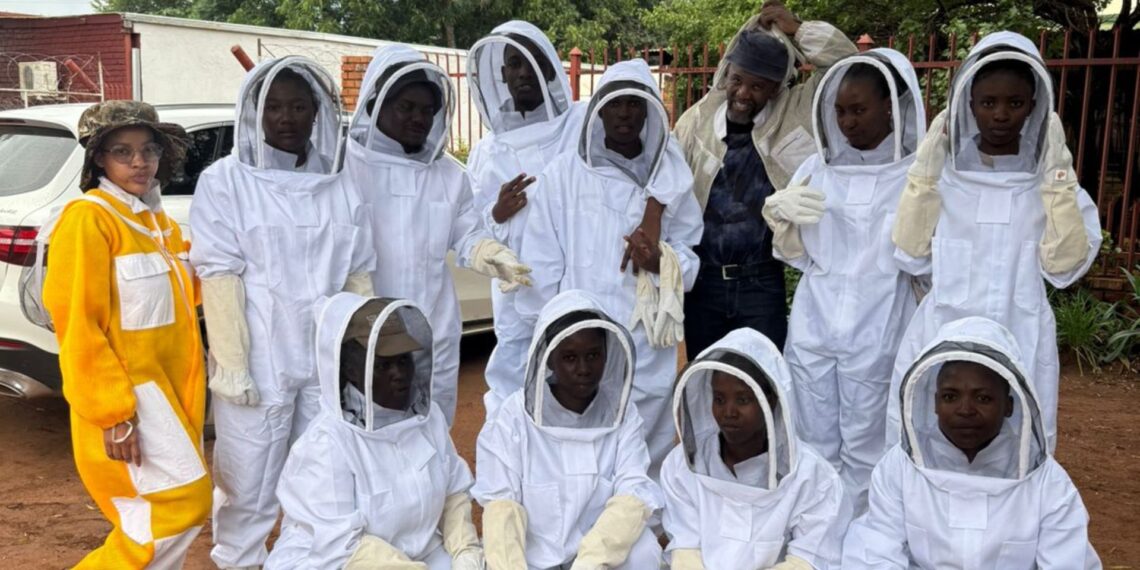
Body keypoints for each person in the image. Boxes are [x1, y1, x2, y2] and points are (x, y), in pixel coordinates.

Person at [190, 57, 377, 569]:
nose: (286, 117)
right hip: (259, 358)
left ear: (318, 111)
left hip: (324, 358)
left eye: (298, 105)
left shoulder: (341, 183)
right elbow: (219, 275)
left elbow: (358, 276)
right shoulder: (225, 181)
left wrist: (356, 359)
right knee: (247, 481)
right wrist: (230, 365)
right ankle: (239, 562)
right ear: (254, 111)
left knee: (324, 475)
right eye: (274, 106)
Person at [887, 31, 1103, 450]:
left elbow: (1064, 269)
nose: (1001, 114)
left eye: (1015, 103)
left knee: (1019, 447)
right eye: (988, 103)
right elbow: (910, 255)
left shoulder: (1052, 185)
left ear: (1035, 106)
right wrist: (922, 181)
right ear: (968, 105)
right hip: (941, 336)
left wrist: (1057, 181)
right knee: (926, 444)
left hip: (1020, 334)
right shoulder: (943, 179)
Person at [466, 21, 681, 418]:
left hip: (576, 282)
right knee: (513, 376)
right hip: (515, 283)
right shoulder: (485, 151)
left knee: (580, 387)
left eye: (532, 63)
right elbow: (470, 223)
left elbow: (659, 147)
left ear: (551, 69)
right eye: (513, 64)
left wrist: (653, 211)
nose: (523, 73)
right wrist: (495, 215)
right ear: (501, 74)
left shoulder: (580, 121)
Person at [42, 100, 210, 567]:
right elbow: (77, 322)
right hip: (131, 403)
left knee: (154, 519)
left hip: (173, 400)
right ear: (99, 158)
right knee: (178, 508)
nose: (139, 162)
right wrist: (113, 413)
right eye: (123, 151)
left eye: (148, 150)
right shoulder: (89, 219)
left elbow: (186, 296)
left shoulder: (158, 224)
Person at [517, 59, 704, 477]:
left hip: (645, 336)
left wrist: (662, 263)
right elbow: (542, 261)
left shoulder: (668, 179)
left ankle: (642, 520)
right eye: (615, 103)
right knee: (578, 435)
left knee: (645, 438)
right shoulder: (564, 175)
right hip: (580, 337)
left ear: (650, 112)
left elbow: (690, 252)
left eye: (635, 104)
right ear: (598, 110)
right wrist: (551, 330)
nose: (624, 114)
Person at [763, 49, 924, 512]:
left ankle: (862, 542)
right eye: (840, 110)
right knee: (812, 438)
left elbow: (923, 261)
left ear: (891, 107)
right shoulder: (818, 168)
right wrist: (779, 218)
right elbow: (793, 255)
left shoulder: (913, 176)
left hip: (882, 324)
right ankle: (816, 536)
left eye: (859, 109)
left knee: (868, 445)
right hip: (815, 320)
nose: (848, 121)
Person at [345, 44, 531, 425]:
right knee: (369, 434)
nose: (419, 118)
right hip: (366, 328)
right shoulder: (346, 168)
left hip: (434, 325)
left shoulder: (448, 175)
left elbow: (466, 232)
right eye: (407, 107)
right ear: (377, 104)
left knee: (432, 431)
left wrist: (491, 254)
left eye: (428, 110)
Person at [672, 0, 857, 359]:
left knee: (762, 380)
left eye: (758, 86)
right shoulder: (696, 121)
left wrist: (798, 29)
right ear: (726, 74)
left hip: (762, 282)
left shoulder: (798, 111)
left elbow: (848, 66)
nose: (743, 94)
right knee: (705, 379)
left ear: (776, 88)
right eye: (737, 80)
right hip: (704, 282)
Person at [843, 317, 1101, 569]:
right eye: (950, 396)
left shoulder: (1048, 484)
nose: (965, 410)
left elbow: (1067, 561)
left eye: (983, 398)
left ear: (1010, 406)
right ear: (934, 403)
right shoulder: (897, 470)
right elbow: (876, 552)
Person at [266, 294, 483, 569]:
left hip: (421, 554)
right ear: (351, 370)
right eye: (383, 364)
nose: (399, 373)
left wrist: (465, 550)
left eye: (404, 360)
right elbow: (342, 547)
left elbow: (453, 492)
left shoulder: (427, 418)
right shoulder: (327, 444)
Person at [474, 290, 664, 569]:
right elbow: (501, 506)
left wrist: (591, 560)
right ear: (549, 359)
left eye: (593, 355)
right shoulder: (512, 418)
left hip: (598, 553)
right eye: (570, 357)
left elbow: (633, 492)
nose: (583, 368)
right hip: (533, 555)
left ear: (607, 355)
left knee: (644, 550)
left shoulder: (623, 415)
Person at [661, 328, 851, 570]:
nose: (728, 412)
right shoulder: (683, 465)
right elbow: (686, 552)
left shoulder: (811, 476)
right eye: (719, 399)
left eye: (742, 400)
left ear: (770, 400)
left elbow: (808, 560)